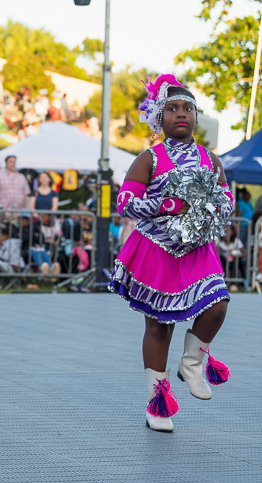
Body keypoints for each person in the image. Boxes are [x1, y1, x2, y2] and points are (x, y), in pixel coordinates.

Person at [109, 75, 233, 433]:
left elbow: (225, 199)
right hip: (157, 249)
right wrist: (167, 204)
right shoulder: (149, 157)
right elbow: (125, 203)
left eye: (188, 108)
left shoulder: (211, 159)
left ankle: (193, 362)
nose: (181, 113)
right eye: (173, 108)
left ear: (196, 117)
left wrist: (209, 209)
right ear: (158, 118)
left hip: (197, 249)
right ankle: (158, 403)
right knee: (160, 327)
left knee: (218, 305)